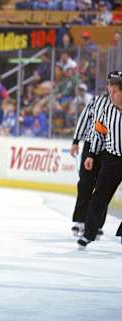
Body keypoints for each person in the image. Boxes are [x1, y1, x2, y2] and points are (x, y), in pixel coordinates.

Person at [77, 71, 122, 248]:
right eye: (109, 91)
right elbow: (99, 133)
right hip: (111, 159)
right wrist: (91, 154)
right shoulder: (106, 109)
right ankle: (88, 234)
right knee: (98, 198)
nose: (110, 94)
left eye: (114, 92)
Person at [70, 90, 110, 238]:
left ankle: (97, 224)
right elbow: (84, 119)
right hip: (91, 144)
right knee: (85, 183)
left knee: (104, 187)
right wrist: (76, 141)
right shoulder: (96, 101)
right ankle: (79, 220)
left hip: (111, 149)